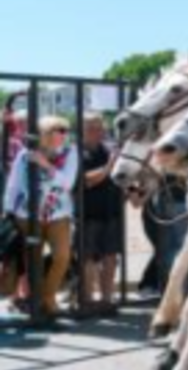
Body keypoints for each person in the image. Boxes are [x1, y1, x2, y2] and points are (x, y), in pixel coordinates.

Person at [2, 116, 78, 317]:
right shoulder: (25, 154)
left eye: (65, 130)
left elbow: (67, 183)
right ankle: (37, 302)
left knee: (62, 257)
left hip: (59, 214)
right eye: (58, 130)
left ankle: (47, 296)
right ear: (45, 134)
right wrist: (7, 210)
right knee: (31, 260)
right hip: (27, 215)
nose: (63, 135)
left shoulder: (70, 153)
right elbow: (14, 184)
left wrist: (46, 165)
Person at [80, 113, 124, 309]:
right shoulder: (76, 152)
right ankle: (88, 301)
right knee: (87, 258)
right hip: (87, 215)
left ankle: (106, 300)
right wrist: (109, 166)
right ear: (81, 130)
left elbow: (119, 178)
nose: (98, 132)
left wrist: (133, 193)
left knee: (111, 257)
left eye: (100, 128)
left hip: (111, 212)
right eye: (92, 128)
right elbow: (85, 180)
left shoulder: (107, 151)